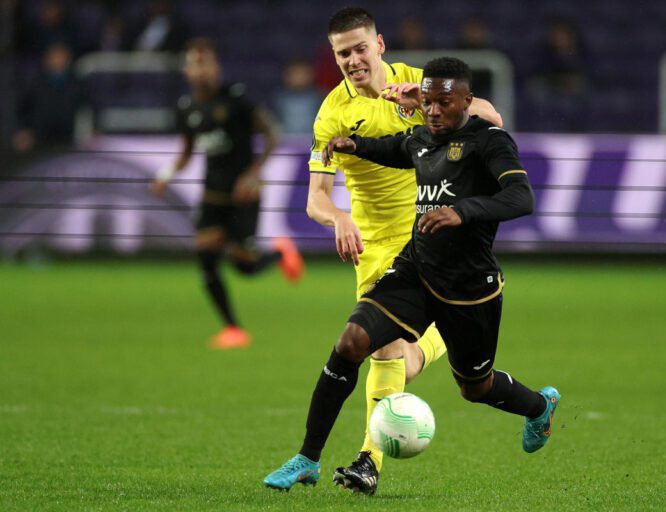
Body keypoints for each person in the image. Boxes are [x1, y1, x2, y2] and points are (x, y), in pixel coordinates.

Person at [264, 56, 560, 493]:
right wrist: (354, 145)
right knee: (351, 342)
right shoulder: (423, 137)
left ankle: (538, 408)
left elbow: (521, 196)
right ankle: (308, 458)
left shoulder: (489, 140)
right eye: (428, 102)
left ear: (467, 101)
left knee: (475, 387)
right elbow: (396, 150)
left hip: (469, 287)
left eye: (444, 103)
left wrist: (462, 211)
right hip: (415, 269)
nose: (434, 111)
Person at [297, 7, 503, 495]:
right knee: (399, 359)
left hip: (429, 234)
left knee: (384, 349)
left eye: (360, 48)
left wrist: (425, 101)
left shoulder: (419, 83)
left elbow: (492, 117)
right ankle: (439, 338)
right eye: (342, 53)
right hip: (374, 244)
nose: (353, 60)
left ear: (380, 45)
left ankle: (368, 462)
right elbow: (315, 198)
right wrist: (339, 217)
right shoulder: (331, 113)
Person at [150, 38, 303, 349]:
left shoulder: (236, 99)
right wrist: (165, 176)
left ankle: (280, 253)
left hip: (244, 195)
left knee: (245, 266)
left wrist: (252, 174)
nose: (201, 70)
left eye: (205, 63)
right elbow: (187, 152)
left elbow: (272, 135)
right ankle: (232, 328)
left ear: (216, 67)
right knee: (206, 260)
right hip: (212, 195)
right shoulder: (187, 108)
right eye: (195, 64)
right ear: (187, 71)